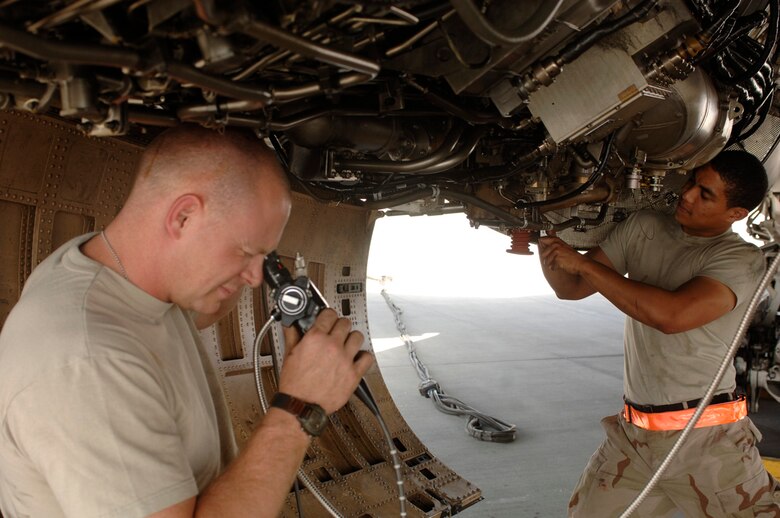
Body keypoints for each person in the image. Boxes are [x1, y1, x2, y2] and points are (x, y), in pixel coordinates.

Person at [0, 126, 374, 517]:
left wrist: (245, 260)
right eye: (245, 252)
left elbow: (190, 312)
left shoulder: (112, 269)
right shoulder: (87, 363)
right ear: (182, 217)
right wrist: (299, 408)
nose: (255, 277)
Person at [538, 149, 780, 517]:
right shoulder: (646, 226)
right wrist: (546, 235)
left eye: (706, 194)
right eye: (693, 182)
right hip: (634, 439)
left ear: (736, 214)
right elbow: (570, 287)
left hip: (707, 442)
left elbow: (671, 315)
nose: (687, 195)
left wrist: (583, 263)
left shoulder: (740, 259)